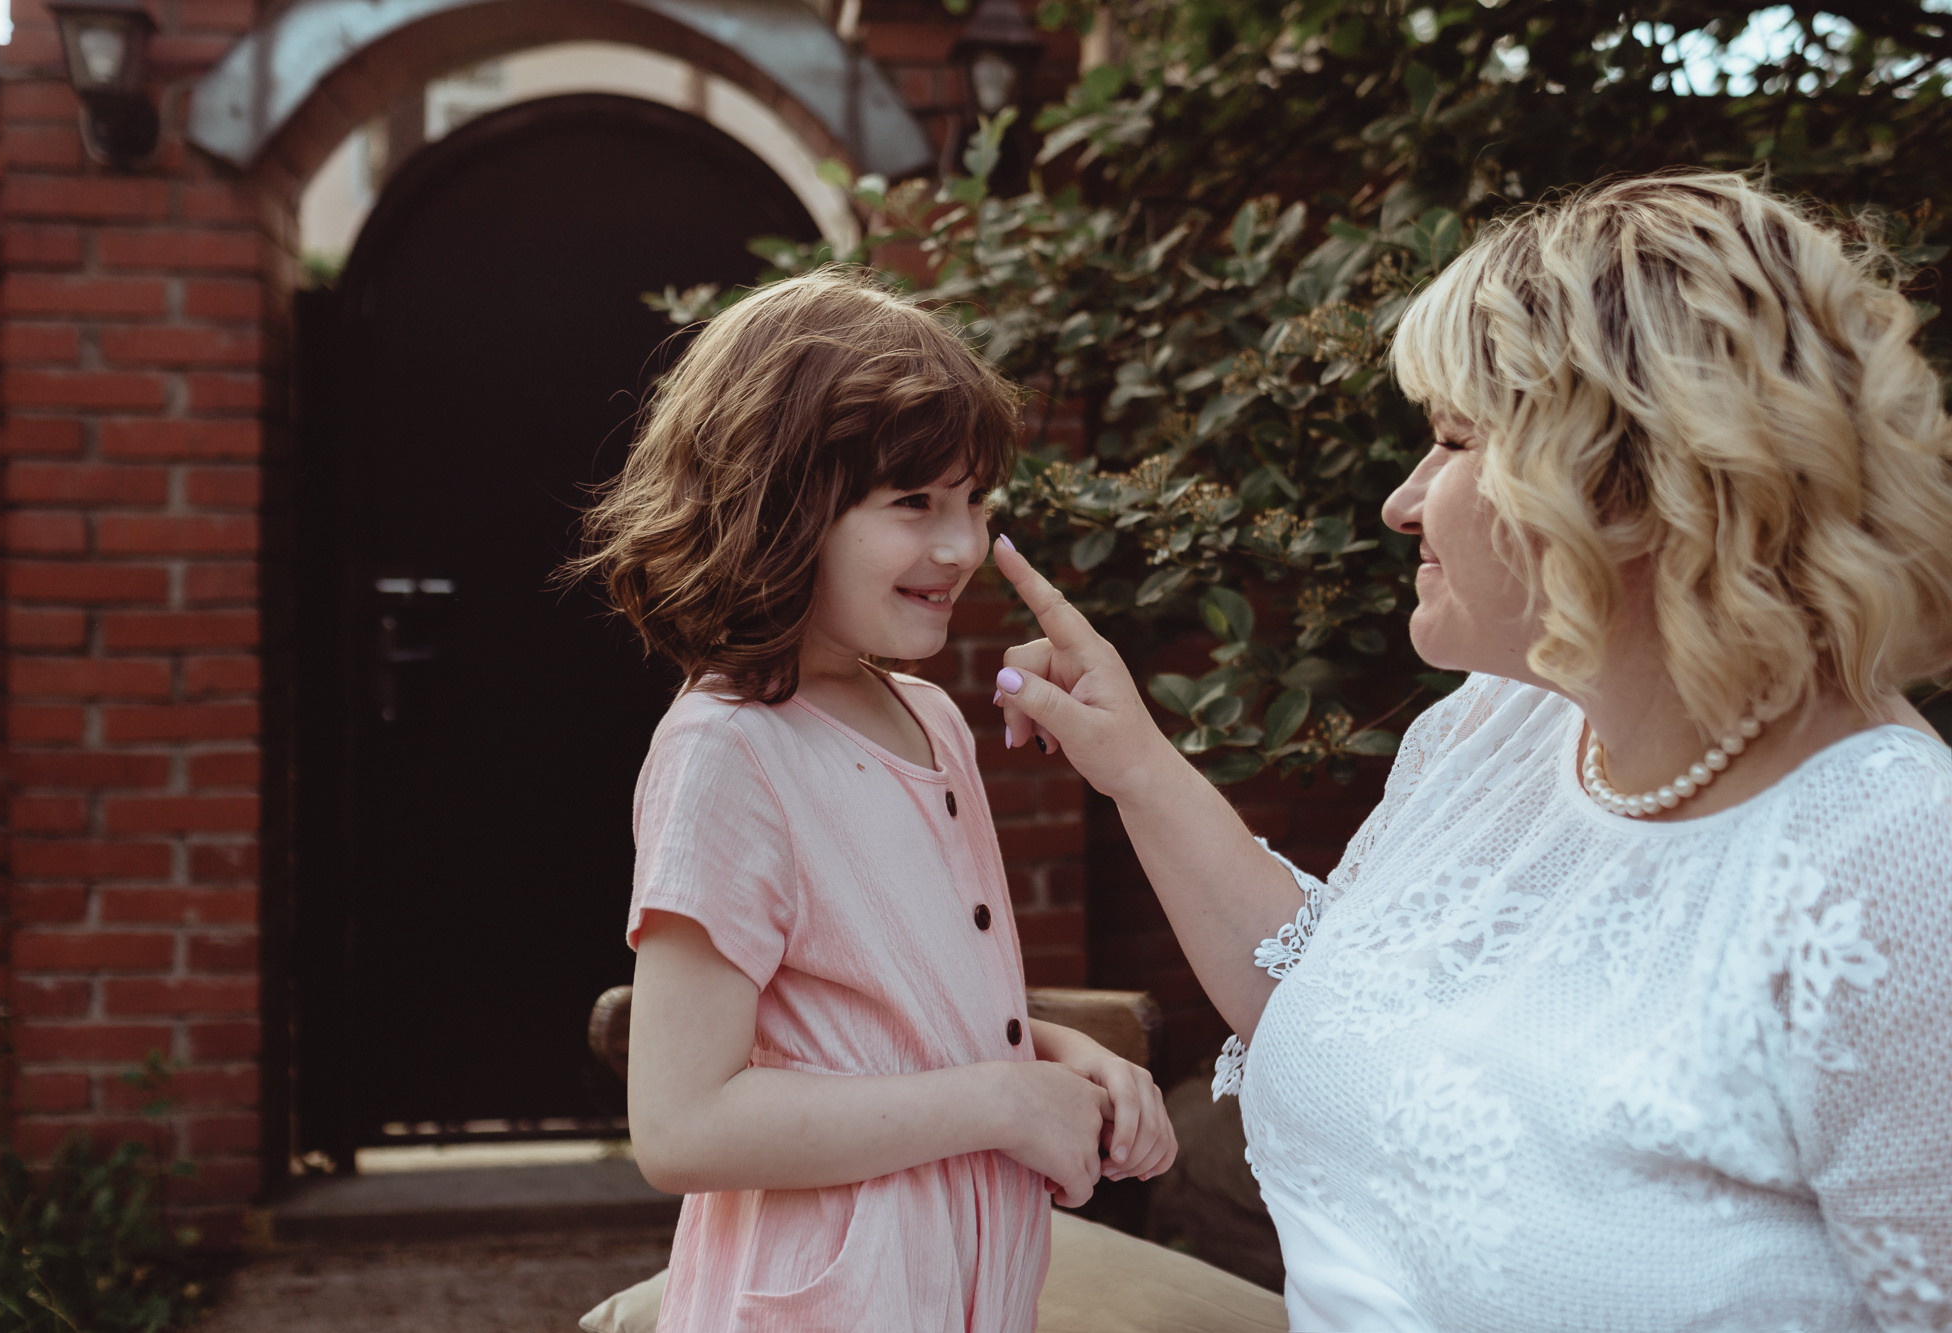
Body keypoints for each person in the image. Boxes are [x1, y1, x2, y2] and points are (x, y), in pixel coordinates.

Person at [987, 171, 1952, 1332]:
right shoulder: (1493, 725)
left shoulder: (1891, 861)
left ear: (1633, 487)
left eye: (1452, 441)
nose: (1403, 501)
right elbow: (1327, 1001)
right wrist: (1132, 760)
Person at [569, 268, 1177, 1333]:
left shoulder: (932, 720)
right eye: (914, 503)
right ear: (779, 501)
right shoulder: (727, 751)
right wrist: (998, 1101)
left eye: (974, 501)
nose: (960, 546)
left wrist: (1059, 1063)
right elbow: (680, 1123)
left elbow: (884, 1024)